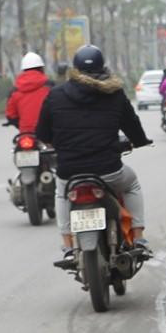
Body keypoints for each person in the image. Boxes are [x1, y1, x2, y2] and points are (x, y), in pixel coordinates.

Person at [37, 45, 152, 266]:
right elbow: (132, 125)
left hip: (70, 172)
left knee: (61, 194)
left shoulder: (55, 95)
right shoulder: (115, 94)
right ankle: (138, 239)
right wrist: (139, 141)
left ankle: (69, 246)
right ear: (103, 66)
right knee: (131, 184)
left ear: (75, 68)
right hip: (108, 171)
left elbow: (43, 133)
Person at [5, 52, 53, 133]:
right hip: (47, 132)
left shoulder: (15, 90)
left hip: (25, 133)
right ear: (41, 68)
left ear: (24, 70)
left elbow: (10, 115)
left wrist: (20, 125)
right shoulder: (50, 87)